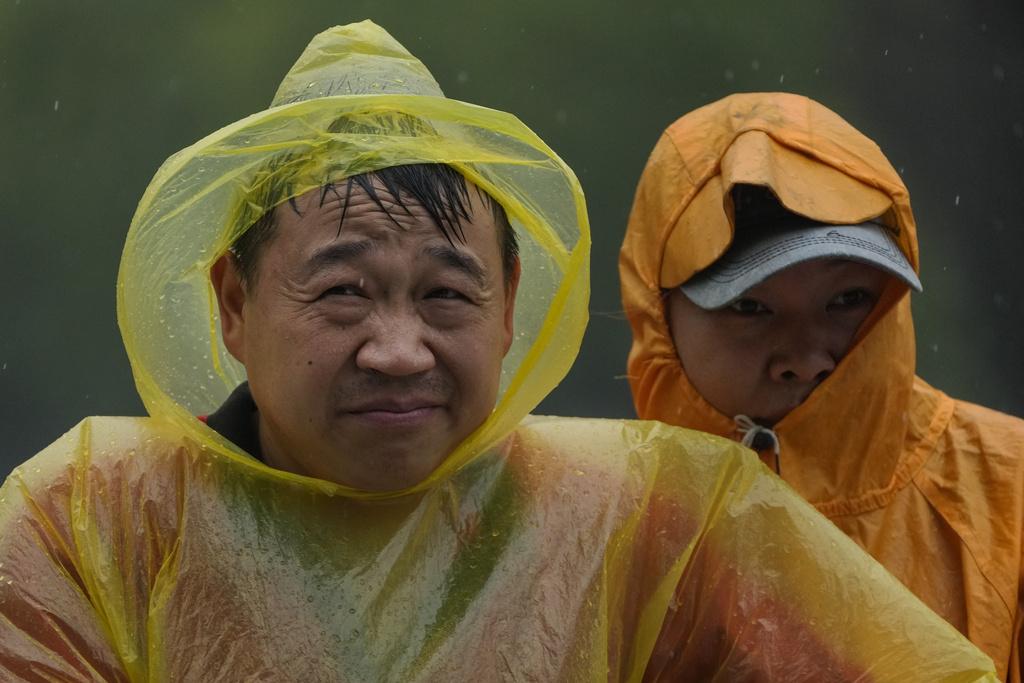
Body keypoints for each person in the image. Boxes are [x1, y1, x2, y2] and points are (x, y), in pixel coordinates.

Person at [0, 25, 998, 682]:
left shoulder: (651, 517)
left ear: (510, 302)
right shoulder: (88, 522)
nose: (397, 350)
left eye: (444, 293)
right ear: (233, 301)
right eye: (343, 291)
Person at [620, 91, 1024, 681]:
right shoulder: (595, 524)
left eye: (847, 300)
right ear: (657, 314)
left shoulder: (1011, 493)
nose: (807, 359)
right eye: (750, 306)